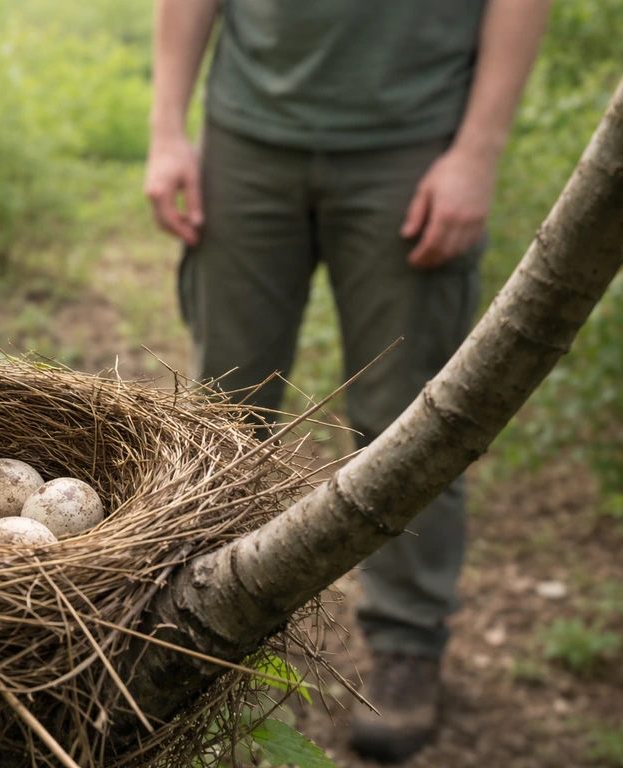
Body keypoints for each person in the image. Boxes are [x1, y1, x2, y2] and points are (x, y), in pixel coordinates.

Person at [144, 1, 550, 762]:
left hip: (414, 139)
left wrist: (479, 151)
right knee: (221, 413)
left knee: (414, 422)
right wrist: (168, 127)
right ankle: (195, 638)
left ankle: (407, 646)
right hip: (246, 136)